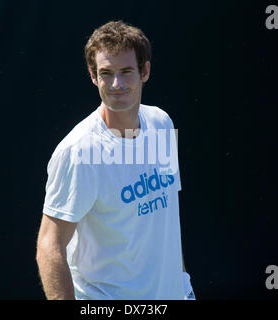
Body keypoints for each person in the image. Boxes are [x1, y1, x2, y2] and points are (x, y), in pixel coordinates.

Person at [36, 20, 196, 300]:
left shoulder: (161, 123)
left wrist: (183, 286)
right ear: (93, 76)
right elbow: (49, 246)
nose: (116, 84)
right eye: (106, 73)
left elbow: (165, 218)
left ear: (144, 71)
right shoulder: (78, 151)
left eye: (125, 72)